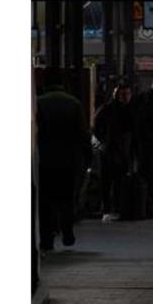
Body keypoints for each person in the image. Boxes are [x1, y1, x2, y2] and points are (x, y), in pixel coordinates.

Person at [36, 68, 88, 251]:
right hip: (69, 160)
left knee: (45, 201)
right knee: (66, 198)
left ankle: (47, 239)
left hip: (45, 160)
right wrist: (87, 159)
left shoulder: (38, 103)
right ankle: (67, 230)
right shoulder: (74, 103)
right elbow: (83, 135)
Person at [94, 81, 135, 221]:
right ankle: (113, 207)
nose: (126, 97)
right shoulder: (128, 111)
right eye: (123, 94)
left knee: (109, 181)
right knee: (113, 181)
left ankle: (109, 208)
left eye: (127, 94)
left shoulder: (106, 109)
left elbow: (96, 128)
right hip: (115, 150)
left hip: (112, 150)